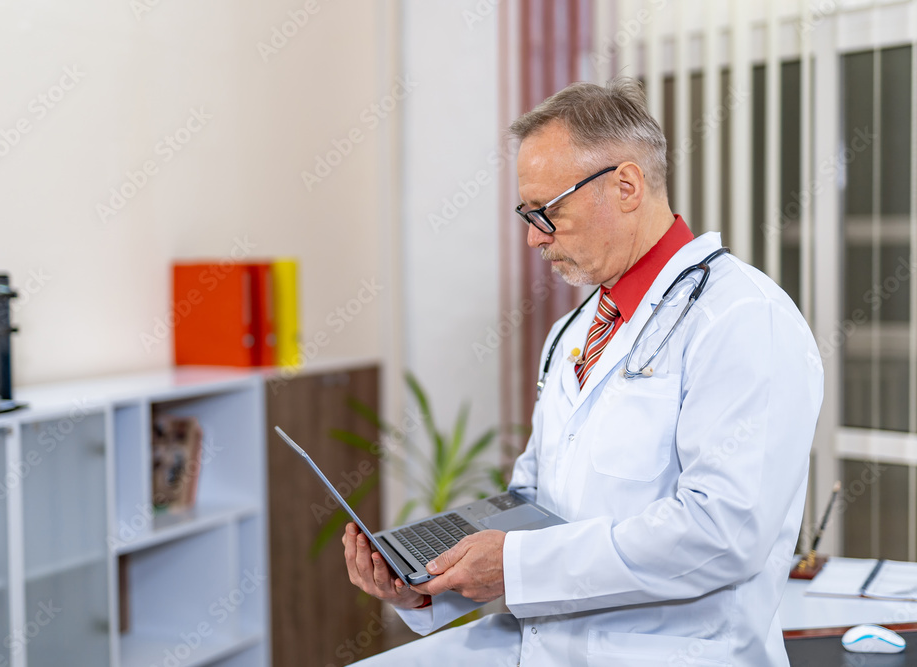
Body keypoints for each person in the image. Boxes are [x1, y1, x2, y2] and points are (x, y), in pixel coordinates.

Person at [341, 78, 823, 666]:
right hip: (548, 646)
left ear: (626, 185)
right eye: (526, 213)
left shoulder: (744, 318)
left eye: (548, 211)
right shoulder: (573, 334)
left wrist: (515, 567)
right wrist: (427, 581)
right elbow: (531, 499)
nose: (532, 237)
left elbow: (723, 534)